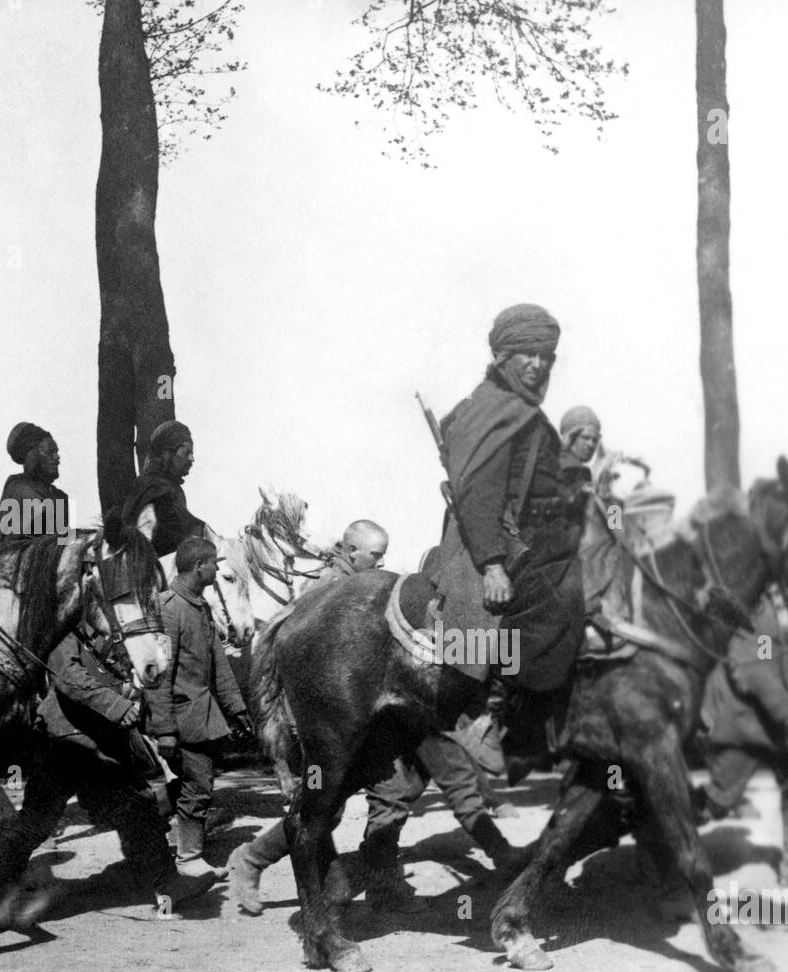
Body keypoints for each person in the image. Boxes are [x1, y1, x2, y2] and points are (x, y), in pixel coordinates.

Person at [228, 520, 527, 915]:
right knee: (326, 805)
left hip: (382, 708)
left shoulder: (367, 594)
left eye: (385, 555)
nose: (382, 563)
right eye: (375, 556)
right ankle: (251, 859)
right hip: (331, 712)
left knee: (392, 795)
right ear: (352, 552)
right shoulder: (324, 590)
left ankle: (382, 886)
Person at [0, 627, 222, 923]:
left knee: (132, 808)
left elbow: (106, 677)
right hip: (68, 739)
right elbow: (68, 678)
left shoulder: (105, 637)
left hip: (96, 739)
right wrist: (116, 705)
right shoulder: (65, 634)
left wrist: (127, 689)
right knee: (43, 821)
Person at [422, 303, 586, 738]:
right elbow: (479, 492)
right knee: (552, 620)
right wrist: (493, 564)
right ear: (502, 356)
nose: (537, 364)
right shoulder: (496, 409)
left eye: (545, 356)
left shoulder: (510, 406)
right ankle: (491, 718)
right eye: (527, 353)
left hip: (523, 534)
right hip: (491, 539)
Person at [699, 585, 788, 892]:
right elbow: (750, 669)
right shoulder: (745, 595)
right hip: (742, 721)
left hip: (763, 719)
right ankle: (662, 849)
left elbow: (765, 657)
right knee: (716, 802)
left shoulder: (766, 598)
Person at [147, 536, 252, 875]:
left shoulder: (199, 606)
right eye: (213, 563)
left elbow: (218, 664)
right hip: (181, 719)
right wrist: (164, 729)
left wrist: (237, 708)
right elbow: (158, 675)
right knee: (199, 786)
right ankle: (188, 860)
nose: (216, 569)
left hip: (203, 718)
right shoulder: (168, 609)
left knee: (194, 784)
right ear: (198, 567)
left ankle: (172, 848)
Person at [121, 420, 206, 559]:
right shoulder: (153, 488)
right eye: (186, 452)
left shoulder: (167, 488)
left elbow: (186, 523)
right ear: (168, 453)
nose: (192, 459)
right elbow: (168, 534)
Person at [0, 422, 69, 539]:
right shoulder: (18, 486)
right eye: (50, 451)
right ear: (32, 454)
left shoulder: (59, 496)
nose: (57, 457)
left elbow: (63, 542)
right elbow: (46, 522)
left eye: (56, 452)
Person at [558, 405, 602, 497]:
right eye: (585, 437)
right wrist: (616, 508)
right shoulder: (572, 470)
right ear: (571, 437)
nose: (591, 444)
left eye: (595, 440)